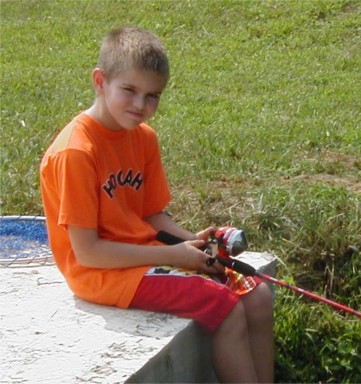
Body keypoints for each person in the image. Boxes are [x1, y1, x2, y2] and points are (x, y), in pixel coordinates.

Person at [40, 25, 274, 383]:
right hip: (101, 274)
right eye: (130, 90)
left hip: (142, 257)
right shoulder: (76, 151)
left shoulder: (143, 138)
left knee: (256, 295)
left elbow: (150, 215)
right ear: (100, 81)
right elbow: (87, 253)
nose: (140, 106)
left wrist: (192, 242)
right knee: (223, 306)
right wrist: (172, 255)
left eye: (153, 96)